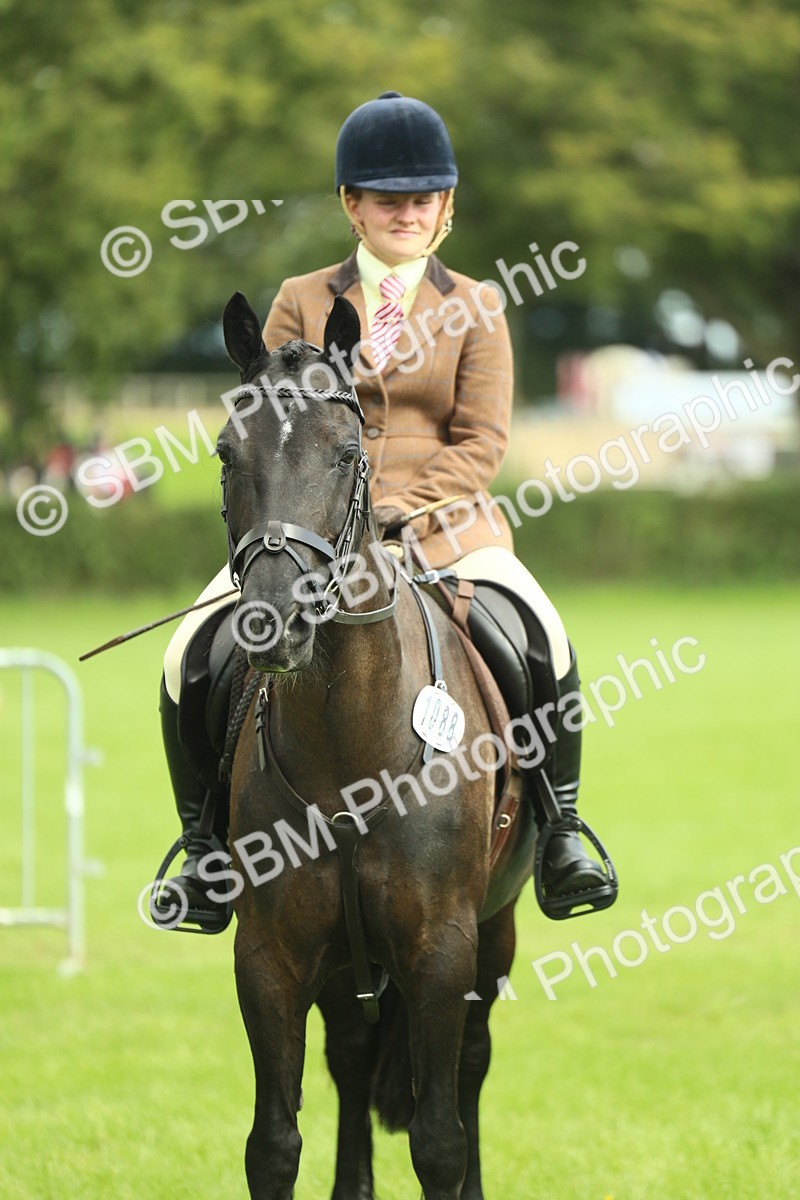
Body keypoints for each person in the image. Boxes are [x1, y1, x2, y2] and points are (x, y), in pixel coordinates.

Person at [157, 92, 615, 925]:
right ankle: (202, 849)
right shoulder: (301, 296)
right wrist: (328, 517)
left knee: (540, 632)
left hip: (448, 528)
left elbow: (481, 442)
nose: (405, 213)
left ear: (444, 208)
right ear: (351, 205)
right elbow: (279, 418)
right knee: (191, 645)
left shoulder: (477, 305)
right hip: (311, 530)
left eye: (421, 199)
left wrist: (397, 506)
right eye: (386, 199)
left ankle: (562, 830)